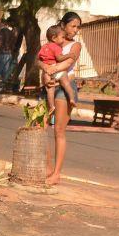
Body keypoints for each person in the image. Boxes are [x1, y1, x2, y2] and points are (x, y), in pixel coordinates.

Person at [38, 11, 82, 186]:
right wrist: (43, 66)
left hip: (64, 89)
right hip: (49, 87)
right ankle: (48, 168)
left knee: (59, 131)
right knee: (40, 126)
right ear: (63, 25)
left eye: (78, 27)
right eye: (73, 26)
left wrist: (49, 69)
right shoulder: (51, 43)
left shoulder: (75, 46)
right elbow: (39, 60)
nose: (76, 30)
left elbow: (67, 64)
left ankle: (56, 173)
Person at [0, 17, 19, 92]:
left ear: (2, 23)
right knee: (5, 72)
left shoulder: (2, 32)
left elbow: (0, 43)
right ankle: (4, 88)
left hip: (2, 53)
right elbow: (13, 43)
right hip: (9, 54)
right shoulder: (10, 32)